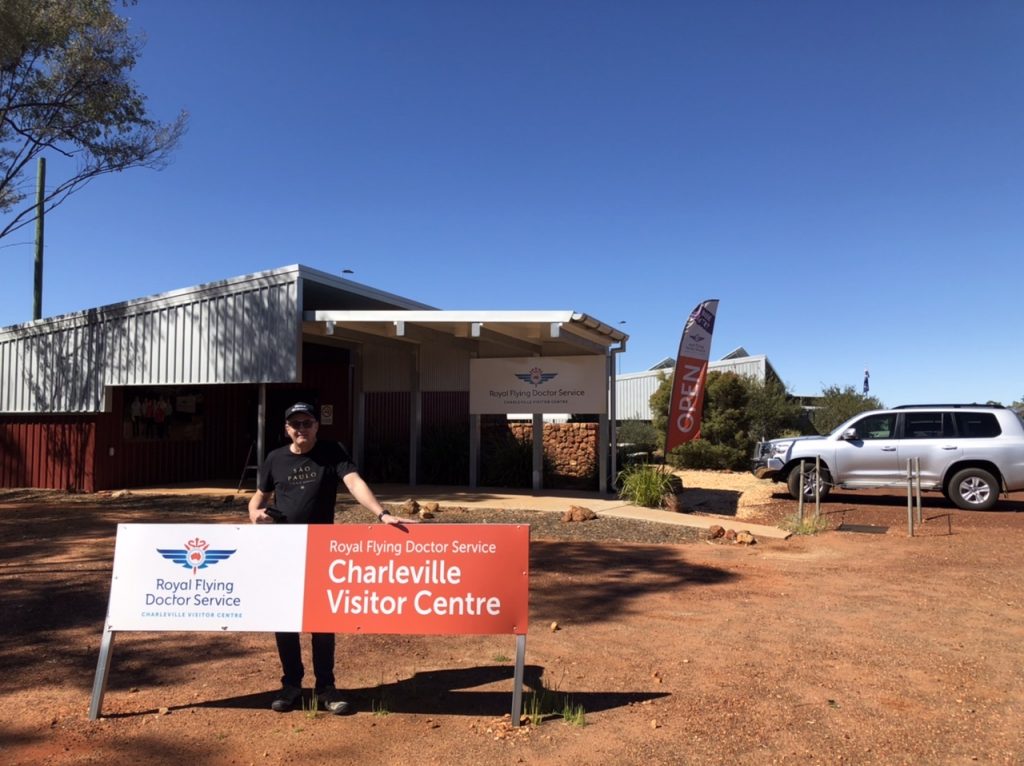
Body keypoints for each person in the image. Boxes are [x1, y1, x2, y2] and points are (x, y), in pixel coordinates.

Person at [248, 402, 411, 715]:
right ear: (286, 429)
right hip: (284, 549)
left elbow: (353, 482)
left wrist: (382, 513)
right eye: (295, 424)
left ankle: (326, 688)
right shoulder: (274, 459)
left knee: (322, 620)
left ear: (316, 426)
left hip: (323, 549)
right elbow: (258, 499)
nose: (301, 429)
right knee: (285, 619)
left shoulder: (332, 452)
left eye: (307, 423)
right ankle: (291, 685)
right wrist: (255, 515)